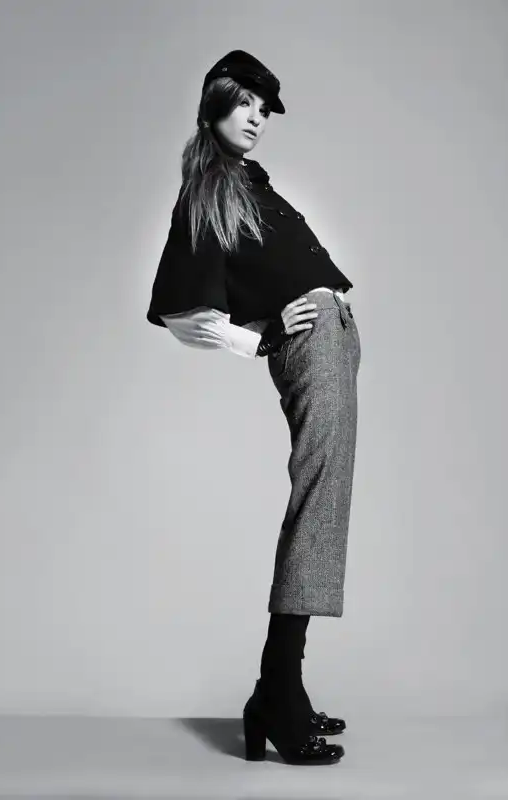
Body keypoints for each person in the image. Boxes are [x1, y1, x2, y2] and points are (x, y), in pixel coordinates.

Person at [146, 50, 361, 766]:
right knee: (318, 502)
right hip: (311, 345)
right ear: (215, 103)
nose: (257, 118)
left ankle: (280, 689)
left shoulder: (247, 182)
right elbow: (182, 311)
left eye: (264, 110)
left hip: (334, 339)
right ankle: (278, 690)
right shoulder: (207, 192)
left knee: (324, 500)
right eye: (245, 104)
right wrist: (258, 338)